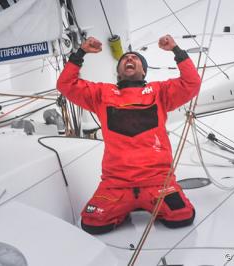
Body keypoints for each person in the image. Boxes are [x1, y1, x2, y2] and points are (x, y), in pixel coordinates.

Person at [57, 35, 201, 234]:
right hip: (116, 185)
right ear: (118, 72)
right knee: (92, 223)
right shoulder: (101, 93)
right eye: (125, 59)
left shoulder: (160, 92)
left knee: (181, 217)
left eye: (135, 58)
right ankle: (128, 206)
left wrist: (176, 50)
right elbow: (66, 85)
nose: (130, 59)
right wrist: (80, 53)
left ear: (144, 71)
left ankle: (142, 203)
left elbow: (191, 83)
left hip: (158, 181)